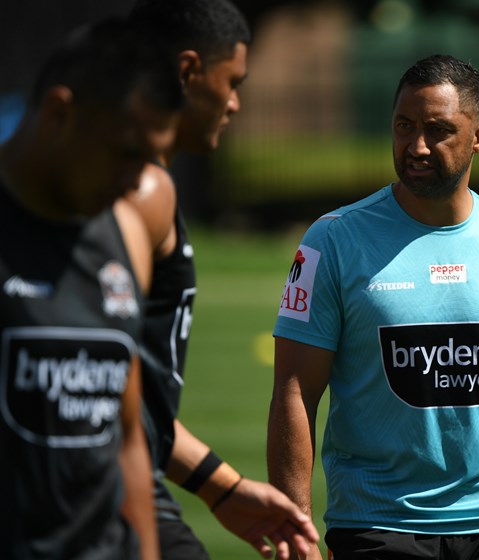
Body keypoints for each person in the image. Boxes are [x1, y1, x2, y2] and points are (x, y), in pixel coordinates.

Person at [268, 53, 479, 560]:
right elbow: (294, 391)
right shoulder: (332, 241)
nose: (416, 145)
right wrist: (296, 531)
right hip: (378, 525)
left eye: (438, 130)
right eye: (404, 126)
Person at [124, 1, 320, 559]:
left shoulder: (146, 186)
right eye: (231, 82)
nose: (235, 103)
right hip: (110, 493)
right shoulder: (141, 193)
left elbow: (132, 406)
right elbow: (92, 392)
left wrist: (222, 488)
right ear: (188, 71)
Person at [0, 18, 183, 560]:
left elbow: (126, 438)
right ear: (60, 111)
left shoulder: (124, 233)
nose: (136, 181)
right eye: (126, 153)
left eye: (150, 160)